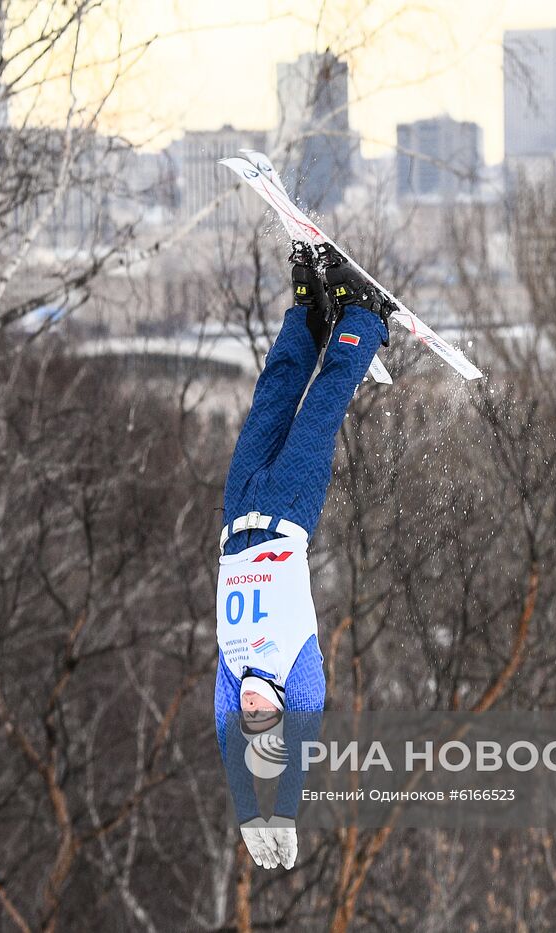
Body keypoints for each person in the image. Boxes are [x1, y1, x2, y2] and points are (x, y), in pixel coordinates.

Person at [214, 241, 391, 870]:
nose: (254, 711)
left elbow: (228, 744)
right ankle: (365, 318)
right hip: (288, 512)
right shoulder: (298, 676)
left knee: (271, 397)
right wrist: (281, 812)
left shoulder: (233, 675)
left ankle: (310, 313)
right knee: (318, 412)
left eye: (249, 720)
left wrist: (247, 814)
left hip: (238, 510)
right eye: (268, 719)